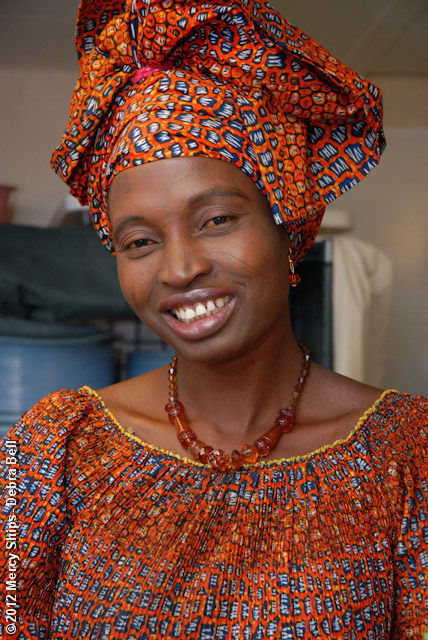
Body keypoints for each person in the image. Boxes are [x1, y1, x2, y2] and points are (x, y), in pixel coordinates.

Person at [1, 1, 427, 638]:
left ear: (288, 227)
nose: (179, 269)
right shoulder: (52, 450)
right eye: (139, 241)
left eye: (217, 220)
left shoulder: (407, 457)